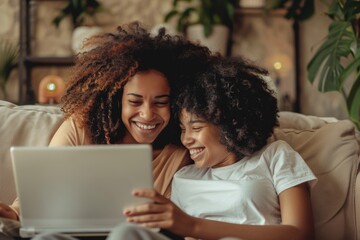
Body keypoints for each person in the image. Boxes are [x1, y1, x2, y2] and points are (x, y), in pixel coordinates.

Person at [0, 21, 211, 229]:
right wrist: (16, 213)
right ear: (116, 100)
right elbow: (43, 187)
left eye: (161, 102)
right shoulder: (80, 128)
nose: (147, 114)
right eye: (135, 101)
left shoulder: (180, 153)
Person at [114, 56, 317, 240]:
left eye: (196, 127)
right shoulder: (184, 176)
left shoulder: (275, 155)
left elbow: (300, 233)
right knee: (126, 232)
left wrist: (193, 226)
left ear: (230, 123)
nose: (186, 139)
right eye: (183, 129)